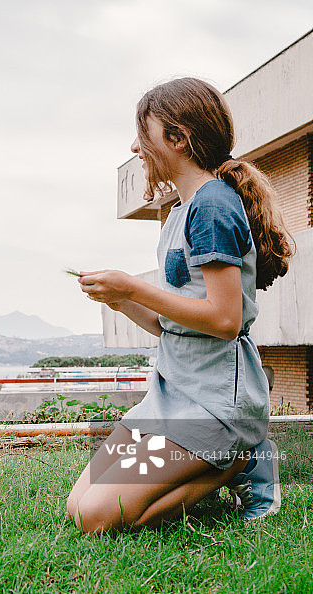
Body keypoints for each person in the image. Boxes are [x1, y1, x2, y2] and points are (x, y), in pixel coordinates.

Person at [65, 77, 294, 534]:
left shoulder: (213, 206)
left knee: (97, 519)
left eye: (142, 133)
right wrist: (122, 300)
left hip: (213, 404)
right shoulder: (180, 211)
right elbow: (169, 324)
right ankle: (217, 464)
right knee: (77, 505)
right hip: (170, 396)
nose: (134, 144)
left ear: (177, 138)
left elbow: (225, 321)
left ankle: (238, 461)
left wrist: (133, 286)